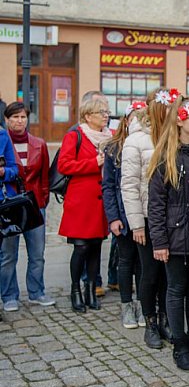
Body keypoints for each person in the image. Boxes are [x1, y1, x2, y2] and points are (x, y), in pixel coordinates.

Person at [148, 97, 189, 371]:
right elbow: (156, 203)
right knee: (175, 289)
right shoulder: (166, 157)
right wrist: (159, 241)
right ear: (179, 120)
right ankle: (180, 344)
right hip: (174, 235)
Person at [122, 89, 172, 348]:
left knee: (168, 275)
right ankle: (150, 321)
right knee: (150, 273)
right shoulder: (136, 140)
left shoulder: (174, 136)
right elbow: (129, 184)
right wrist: (137, 225)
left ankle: (165, 319)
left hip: (172, 217)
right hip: (146, 215)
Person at [59, 99, 112, 312]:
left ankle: (91, 290)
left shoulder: (109, 137)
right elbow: (64, 165)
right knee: (81, 247)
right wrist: (93, 163)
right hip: (80, 201)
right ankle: (75, 290)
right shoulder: (75, 136)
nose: (106, 115)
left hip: (100, 201)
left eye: (107, 112)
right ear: (88, 116)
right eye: (101, 112)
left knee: (96, 247)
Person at [103, 101, 146, 328]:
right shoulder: (114, 149)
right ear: (126, 121)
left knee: (142, 263)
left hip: (143, 213)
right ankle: (126, 304)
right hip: (123, 214)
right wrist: (113, 218)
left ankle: (142, 303)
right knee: (126, 260)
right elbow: (108, 186)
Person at [0, 104, 36, 312]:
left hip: (4, 205)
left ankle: (10, 296)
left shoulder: (2, 137)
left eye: (23, 117)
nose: (19, 121)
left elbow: (14, 170)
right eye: (15, 117)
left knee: (8, 253)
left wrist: (3, 172)